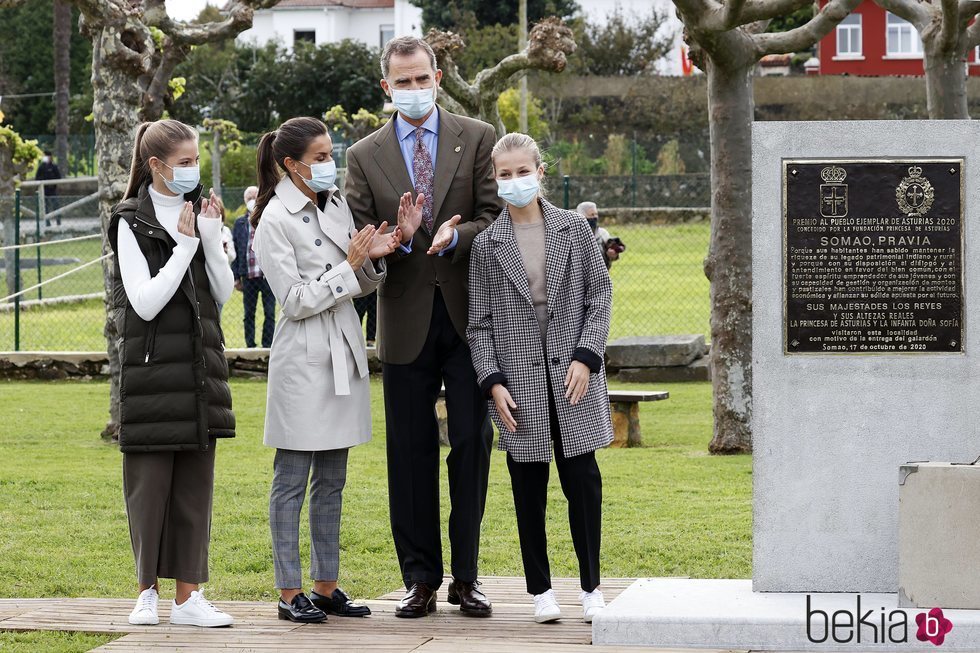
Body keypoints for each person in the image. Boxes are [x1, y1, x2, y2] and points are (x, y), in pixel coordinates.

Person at [344, 36, 502, 618]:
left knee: (471, 443)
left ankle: (467, 577)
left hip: (468, 318)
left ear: (438, 76)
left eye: (422, 79)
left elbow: (493, 216)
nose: (414, 90)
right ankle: (420, 579)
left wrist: (455, 237)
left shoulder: (477, 136)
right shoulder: (363, 155)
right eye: (402, 82)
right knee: (408, 453)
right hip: (404, 318)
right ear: (386, 88)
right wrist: (401, 239)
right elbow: (362, 241)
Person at [251, 116, 400, 624]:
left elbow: (355, 283)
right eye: (318, 157)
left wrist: (371, 259)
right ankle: (288, 591)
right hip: (304, 358)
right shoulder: (274, 218)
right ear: (291, 164)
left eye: (330, 153)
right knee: (292, 479)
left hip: (344, 351)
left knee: (332, 478)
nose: (328, 163)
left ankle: (325, 585)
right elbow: (292, 302)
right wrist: (347, 267)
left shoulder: (334, 203)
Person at [468, 134, 614, 624]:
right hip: (517, 385)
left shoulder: (576, 230)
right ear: (494, 179)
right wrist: (492, 381)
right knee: (527, 489)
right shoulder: (487, 246)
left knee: (583, 484)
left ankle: (592, 587)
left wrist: (587, 356)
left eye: (522, 171)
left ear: (540, 171)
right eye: (504, 174)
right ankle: (541, 592)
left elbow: (600, 298)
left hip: (575, 378)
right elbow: (479, 324)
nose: (514, 181)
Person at [107, 119, 237, 628]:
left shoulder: (199, 211)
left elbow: (222, 296)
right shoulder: (129, 221)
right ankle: (146, 594)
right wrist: (185, 247)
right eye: (183, 163)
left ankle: (189, 598)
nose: (193, 171)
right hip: (150, 374)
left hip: (201, 370)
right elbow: (144, 303)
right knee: (148, 489)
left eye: (196, 160)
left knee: (194, 490)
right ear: (156, 166)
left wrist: (208, 237)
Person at [232, 186, 276, 348]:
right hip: (248, 275)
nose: (252, 200)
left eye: (255, 196)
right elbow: (235, 250)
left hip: (268, 276)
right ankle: (250, 345)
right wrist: (236, 277)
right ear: (245, 201)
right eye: (249, 197)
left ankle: (267, 345)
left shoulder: (268, 219)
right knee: (248, 314)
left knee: (270, 313)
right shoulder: (240, 223)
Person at [576, 201, 624, 270]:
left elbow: (612, 256)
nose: (595, 217)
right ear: (581, 216)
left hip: (600, 274)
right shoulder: (572, 235)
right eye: (591, 215)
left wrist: (612, 254)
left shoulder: (603, 233)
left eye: (596, 214)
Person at [35, 151, 63, 226]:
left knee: (56, 205)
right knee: (45, 207)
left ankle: (58, 221)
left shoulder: (54, 167)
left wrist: (53, 183)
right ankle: (47, 223)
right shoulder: (41, 167)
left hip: (53, 190)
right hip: (44, 190)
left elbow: (58, 177)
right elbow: (37, 178)